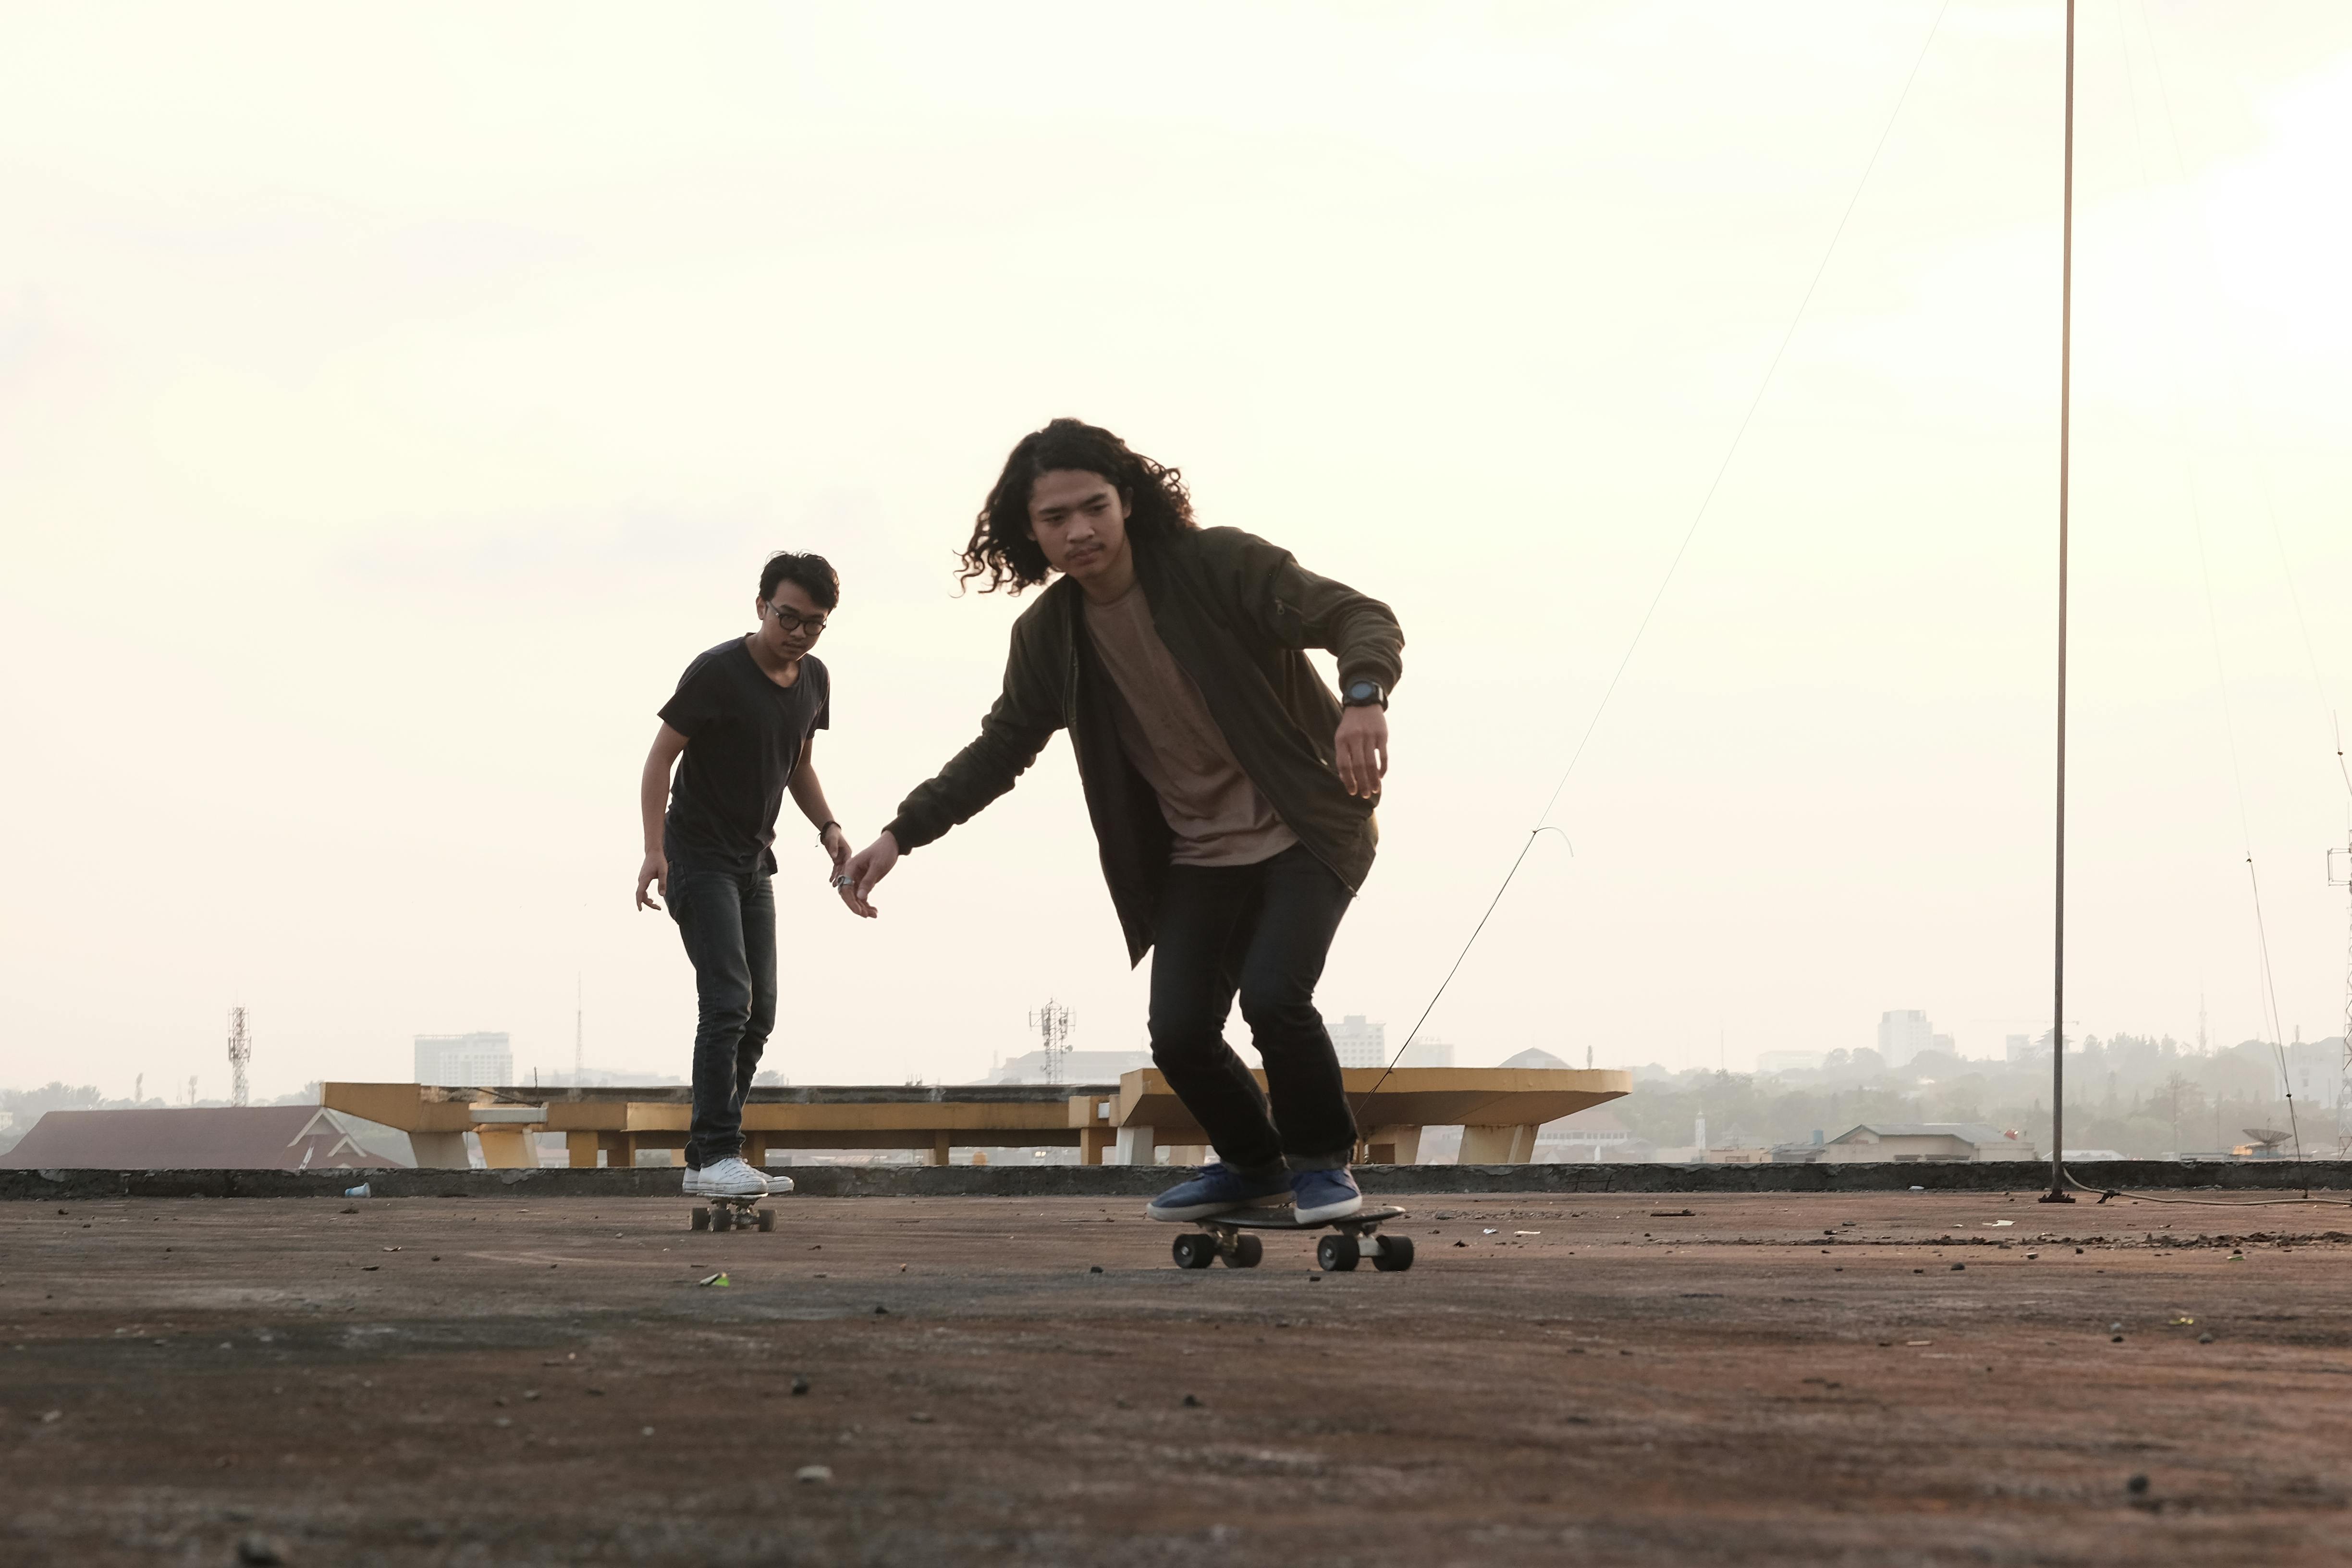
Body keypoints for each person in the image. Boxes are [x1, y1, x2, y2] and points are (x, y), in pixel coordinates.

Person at [837, 419, 1403, 1224]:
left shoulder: (1219, 567)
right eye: (1054, 519)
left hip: (1305, 827)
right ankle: (1253, 1166)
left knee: (1275, 998)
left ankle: (1321, 1167)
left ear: (1127, 503)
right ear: (1028, 533)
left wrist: (1362, 699)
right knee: (1178, 1037)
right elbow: (1002, 749)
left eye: (1093, 507)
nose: (1079, 531)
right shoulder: (1051, 635)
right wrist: (900, 834)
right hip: (1197, 856)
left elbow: (1359, 615)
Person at [637, 551, 851, 1199]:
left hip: (755, 862)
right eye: (788, 617)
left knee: (760, 1013)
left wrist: (830, 828)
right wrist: (653, 851)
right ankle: (721, 1151)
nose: (799, 633)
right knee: (727, 1001)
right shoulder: (717, 672)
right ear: (762, 606)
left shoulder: (814, 679)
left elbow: (799, 765)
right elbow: (659, 762)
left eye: (814, 624)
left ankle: (707, 1158)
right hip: (696, 859)